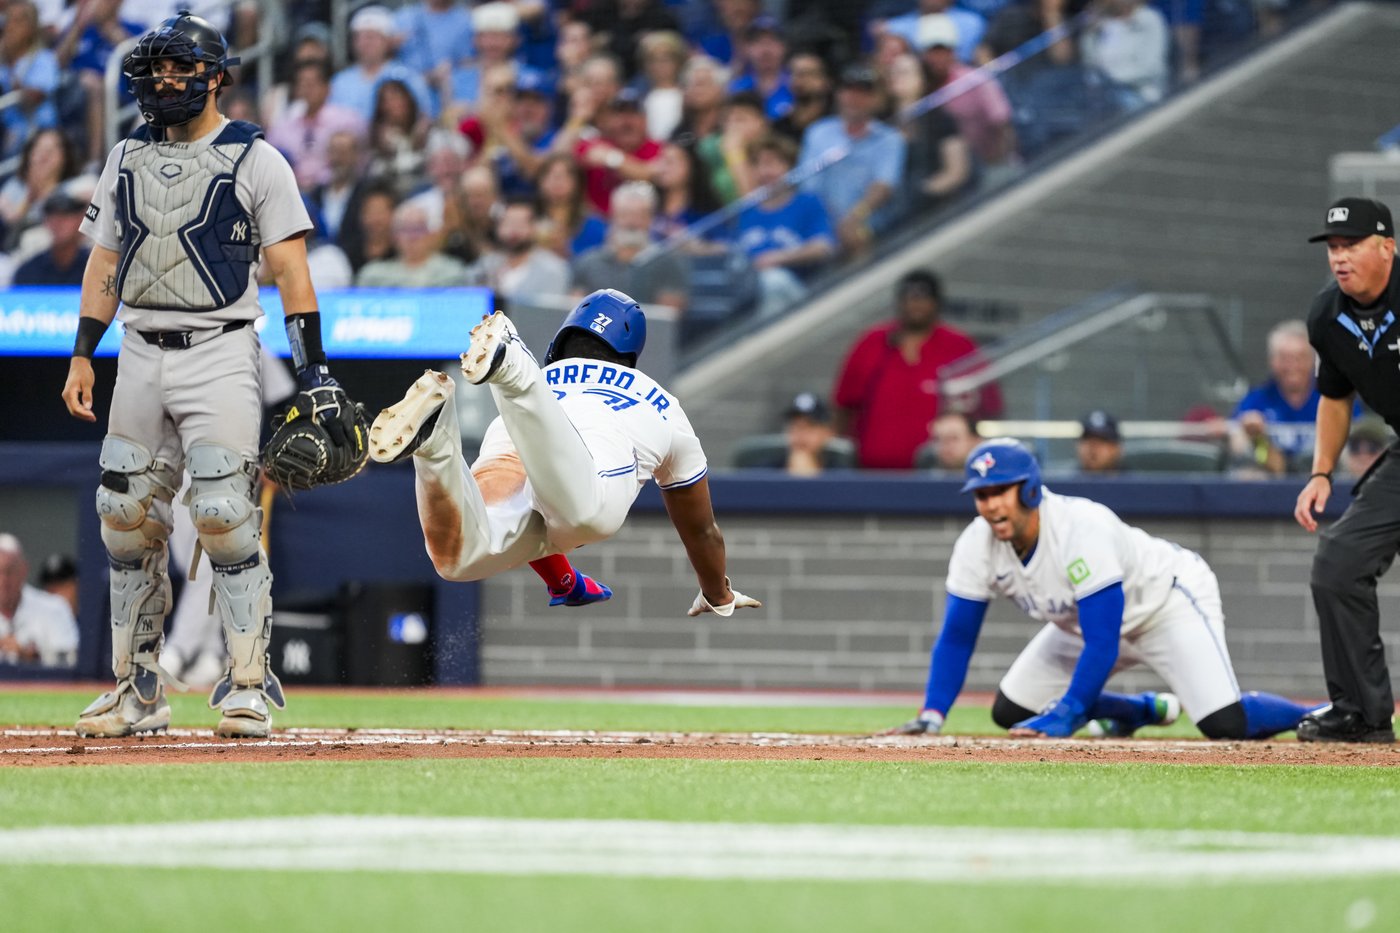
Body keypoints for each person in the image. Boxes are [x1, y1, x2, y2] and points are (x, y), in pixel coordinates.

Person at [61, 12, 351, 739]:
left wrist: (314, 369)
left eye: (180, 68)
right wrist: (80, 354)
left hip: (222, 346)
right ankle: (136, 689)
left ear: (217, 75)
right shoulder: (124, 157)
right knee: (124, 518)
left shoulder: (258, 159)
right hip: (138, 348)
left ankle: (248, 681)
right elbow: (103, 263)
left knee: (223, 512)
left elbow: (290, 272)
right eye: (156, 69)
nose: (164, 81)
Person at [366, 291, 763, 618]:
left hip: (516, 440)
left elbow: (540, 513)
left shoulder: (550, 377)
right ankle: (510, 369)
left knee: (459, 557)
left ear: (561, 340)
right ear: (629, 354)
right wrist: (717, 593)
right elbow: (701, 530)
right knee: (581, 516)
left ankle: (436, 442)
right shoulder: (660, 401)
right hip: (591, 470)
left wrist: (564, 582)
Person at [887, 439, 1315, 740]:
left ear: (1031, 489)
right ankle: (1139, 711)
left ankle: (1315, 715)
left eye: (1001, 490)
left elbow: (1104, 640)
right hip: (1084, 624)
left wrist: (1070, 712)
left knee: (1226, 724)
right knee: (1012, 711)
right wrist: (932, 714)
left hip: (1164, 604)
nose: (991, 504)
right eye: (982, 494)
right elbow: (958, 636)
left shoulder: (1080, 529)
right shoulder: (975, 543)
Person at [1295, 197, 1400, 743]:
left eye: (1352, 245)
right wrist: (1320, 473)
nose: (1339, 257)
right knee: (1337, 564)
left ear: (1388, 246)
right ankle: (1361, 714)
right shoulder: (1326, 316)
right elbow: (1335, 397)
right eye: (1333, 248)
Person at [832, 269, 1002, 469]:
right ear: (899, 302)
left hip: (939, 473)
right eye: (909, 298)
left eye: (923, 298)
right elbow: (843, 406)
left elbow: (989, 407)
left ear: (937, 303)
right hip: (871, 472)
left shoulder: (958, 345)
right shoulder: (871, 342)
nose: (916, 305)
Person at [798, 63, 906, 257]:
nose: (854, 98)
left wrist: (854, 217)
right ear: (839, 94)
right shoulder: (818, 133)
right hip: (822, 224)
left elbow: (883, 186)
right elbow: (809, 186)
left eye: (862, 92)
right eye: (849, 90)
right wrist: (831, 220)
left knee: (858, 234)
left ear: (874, 98)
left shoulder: (889, 139)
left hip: (869, 224)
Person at [571, 181, 690, 313]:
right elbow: (575, 313)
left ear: (651, 219)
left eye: (639, 215)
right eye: (625, 214)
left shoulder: (668, 263)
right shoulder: (589, 262)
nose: (631, 222)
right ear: (613, 217)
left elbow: (666, 317)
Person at [1230, 319, 1330, 477]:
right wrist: (1252, 434)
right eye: (1284, 358)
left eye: (1300, 358)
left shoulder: (1333, 397)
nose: (1292, 366)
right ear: (1272, 361)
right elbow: (1236, 442)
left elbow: (1356, 441)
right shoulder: (1256, 400)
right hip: (1269, 482)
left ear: (1312, 361)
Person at [469, 196, 572, 304]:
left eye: (520, 224)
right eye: (508, 223)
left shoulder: (554, 270)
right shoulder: (484, 266)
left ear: (534, 227)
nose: (513, 231)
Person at [0, 533, 79, 668]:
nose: (4, 580)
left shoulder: (54, 607)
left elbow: (72, 661)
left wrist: (32, 656)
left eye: (10, 571)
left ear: (23, 570)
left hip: (41, 687)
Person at [11, 189, 91, 285]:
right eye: (52, 217)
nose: (58, 223)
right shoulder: (29, 271)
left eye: (66, 216)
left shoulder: (94, 266)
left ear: (80, 219)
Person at [782, 391, 839, 477]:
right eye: (795, 426)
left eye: (810, 426)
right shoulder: (765, 472)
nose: (801, 434)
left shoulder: (842, 473)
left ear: (827, 432)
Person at [1076, 409, 1123, 474]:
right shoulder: (1065, 482)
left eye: (1102, 440)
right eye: (1088, 440)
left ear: (1116, 448)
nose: (1093, 447)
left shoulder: (1134, 482)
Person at [38, 551, 79, 616]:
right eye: (51, 590)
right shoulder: (38, 623)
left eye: (63, 587)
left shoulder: (93, 620)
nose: (57, 595)